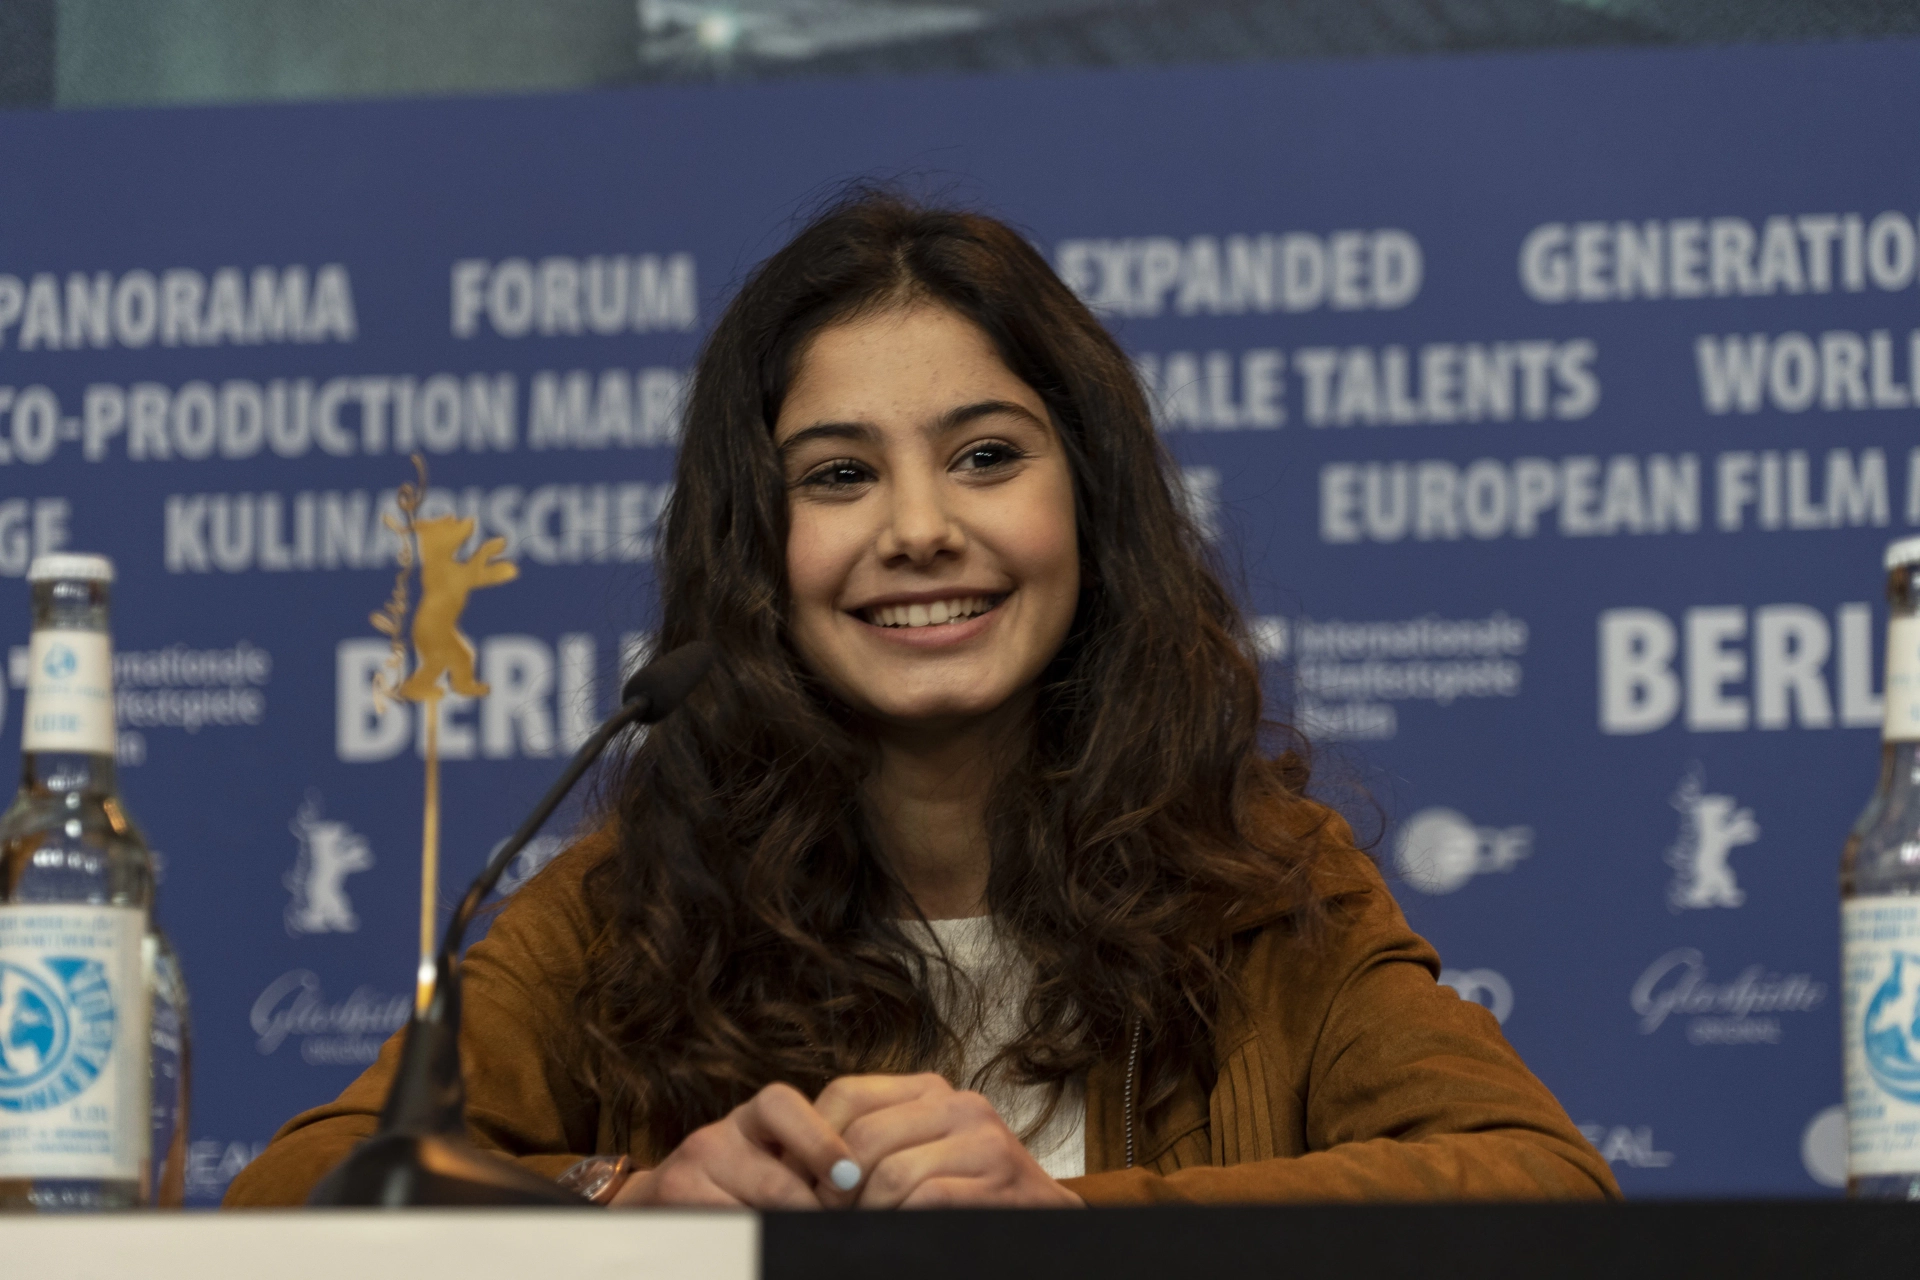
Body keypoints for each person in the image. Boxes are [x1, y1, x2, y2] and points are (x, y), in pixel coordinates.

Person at [227, 191, 1618, 1209]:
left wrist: (1063, 1224)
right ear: (759, 554)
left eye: (985, 457)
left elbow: (1549, 1189)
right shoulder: (628, 911)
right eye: (838, 476)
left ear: (1091, 506)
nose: (918, 528)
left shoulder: (1262, 888)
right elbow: (298, 1195)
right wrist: (625, 1208)